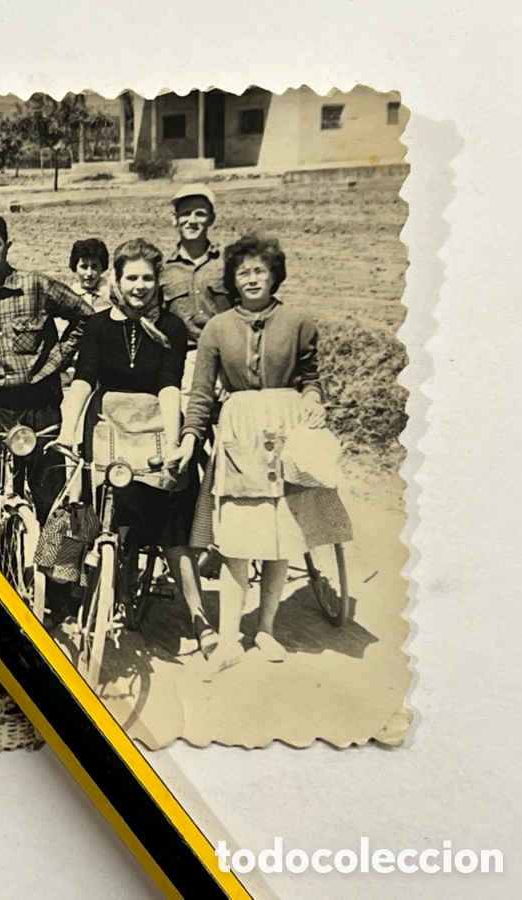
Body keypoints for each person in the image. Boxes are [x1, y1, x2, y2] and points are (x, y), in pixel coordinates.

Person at [175, 235, 354, 676]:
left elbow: (312, 378)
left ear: (274, 275)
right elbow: (201, 393)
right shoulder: (217, 329)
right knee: (237, 539)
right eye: (243, 272)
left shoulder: (298, 323)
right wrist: (191, 437)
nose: (252, 279)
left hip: (288, 431)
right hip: (240, 432)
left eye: (259, 271)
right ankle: (229, 639)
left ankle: (266, 628)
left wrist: (313, 399)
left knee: (281, 534)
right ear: (232, 281)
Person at [54, 239, 213, 651]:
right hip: (106, 426)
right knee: (81, 505)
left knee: (170, 520)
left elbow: (168, 386)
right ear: (117, 280)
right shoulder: (97, 325)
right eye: (131, 277)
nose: (139, 285)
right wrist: (69, 430)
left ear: (157, 280)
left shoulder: (173, 328)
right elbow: (84, 379)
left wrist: (177, 442)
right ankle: (63, 596)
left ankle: (198, 614)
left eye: (147, 277)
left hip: (155, 426)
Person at [0, 210, 94, 527]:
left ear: (7, 245)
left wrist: (59, 357)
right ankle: (0, 567)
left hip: (40, 404)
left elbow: (86, 316)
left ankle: (60, 574)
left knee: (53, 501)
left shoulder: (37, 286)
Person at [159, 184, 232, 402]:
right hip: (184, 361)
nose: (192, 220)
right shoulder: (163, 271)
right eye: (185, 213)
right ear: (175, 219)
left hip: (225, 358)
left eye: (200, 213)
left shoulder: (227, 265)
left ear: (211, 218)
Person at [68, 238, 112, 312]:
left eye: (94, 267)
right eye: (84, 267)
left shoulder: (112, 295)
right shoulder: (69, 295)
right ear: (75, 267)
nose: (89, 273)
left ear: (102, 267)